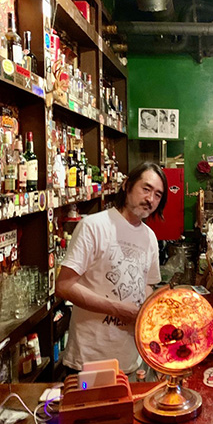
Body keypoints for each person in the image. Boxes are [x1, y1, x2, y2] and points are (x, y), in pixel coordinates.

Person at [55, 162, 168, 379]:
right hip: (90, 360)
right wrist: (118, 309)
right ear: (127, 185)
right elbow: (64, 286)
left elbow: (147, 285)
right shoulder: (94, 226)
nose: (150, 199)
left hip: (131, 359)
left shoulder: (150, 238)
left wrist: (149, 314)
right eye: (146, 189)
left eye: (157, 195)